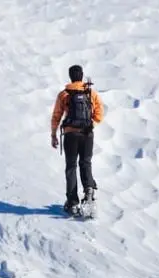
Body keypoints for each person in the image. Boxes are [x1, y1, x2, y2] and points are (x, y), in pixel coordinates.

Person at [50, 65, 104, 213]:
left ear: (70, 77)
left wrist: (53, 134)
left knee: (71, 167)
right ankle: (89, 191)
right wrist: (90, 124)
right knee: (86, 163)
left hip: (70, 135)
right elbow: (99, 114)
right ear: (82, 76)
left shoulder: (64, 94)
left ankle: (72, 202)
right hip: (87, 134)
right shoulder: (90, 93)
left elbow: (56, 116)